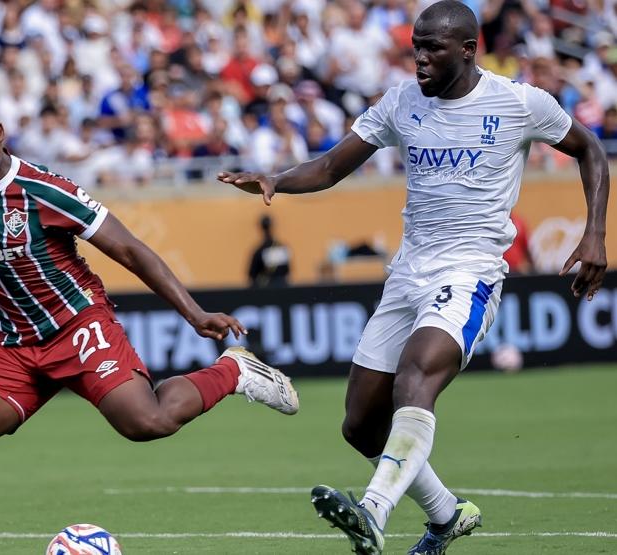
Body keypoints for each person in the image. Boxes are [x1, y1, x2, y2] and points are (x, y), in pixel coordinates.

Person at [0, 2, 300, 554]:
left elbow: (129, 249)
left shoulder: (45, 191)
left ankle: (232, 372)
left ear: (0, 132)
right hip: (12, 346)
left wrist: (194, 313)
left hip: (75, 326)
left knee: (146, 422)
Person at [218, 3, 609, 554]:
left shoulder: (519, 102)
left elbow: (590, 150)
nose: (420, 58)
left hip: (470, 272)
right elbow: (331, 167)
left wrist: (596, 232)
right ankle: (447, 515)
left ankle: (373, 512)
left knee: (414, 379)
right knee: (359, 425)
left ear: (469, 49)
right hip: (407, 275)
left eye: (432, 48)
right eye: (415, 47)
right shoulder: (402, 101)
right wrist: (275, 180)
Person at [247, 214, 291, 288]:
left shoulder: (259, 250)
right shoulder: (282, 248)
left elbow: (252, 275)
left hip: (266, 292)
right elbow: (287, 271)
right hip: (282, 290)